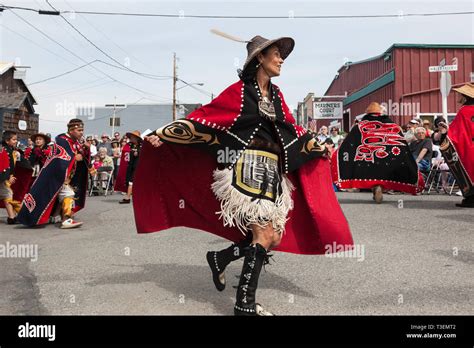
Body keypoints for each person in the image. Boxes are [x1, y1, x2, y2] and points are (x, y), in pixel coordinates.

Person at [134, 33, 353, 315]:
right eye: (275, 53)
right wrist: (162, 134)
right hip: (245, 166)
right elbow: (204, 117)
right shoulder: (238, 92)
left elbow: (291, 129)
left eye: (281, 54)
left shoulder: (277, 95)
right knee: (263, 233)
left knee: (271, 237)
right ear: (259, 58)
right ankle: (244, 304)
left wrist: (315, 145)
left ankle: (220, 258)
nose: (280, 58)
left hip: (273, 172)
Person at [332, 102, 423, 203]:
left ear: (367, 113)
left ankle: (375, 188)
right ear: (380, 112)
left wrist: (340, 153)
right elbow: (402, 144)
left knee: (372, 174)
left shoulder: (359, 127)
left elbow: (349, 143)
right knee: (383, 173)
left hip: (367, 157)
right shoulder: (393, 126)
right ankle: (379, 187)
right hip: (387, 158)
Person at [17, 119, 91, 228]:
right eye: (79, 130)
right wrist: (74, 158)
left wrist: (86, 148)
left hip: (65, 176)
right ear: (71, 130)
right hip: (55, 175)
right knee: (68, 194)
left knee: (57, 196)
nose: (81, 133)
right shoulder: (62, 141)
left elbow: (80, 154)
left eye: (82, 130)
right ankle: (66, 219)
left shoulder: (74, 142)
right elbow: (61, 158)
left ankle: (54, 216)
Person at [432, 83, 474, 208]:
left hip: (469, 147)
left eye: (460, 94)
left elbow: (457, 132)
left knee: (467, 172)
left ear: (465, 97)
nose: (458, 96)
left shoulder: (464, 111)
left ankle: (471, 198)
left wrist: (444, 133)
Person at [0, 131, 25, 224]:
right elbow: (3, 166)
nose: (16, 141)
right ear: (7, 141)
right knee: (7, 194)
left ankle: (12, 217)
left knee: (7, 194)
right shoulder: (4, 150)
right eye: (14, 139)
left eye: (16, 139)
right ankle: (12, 217)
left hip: (4, 178)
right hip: (2, 178)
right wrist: (7, 177)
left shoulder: (10, 150)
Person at [119, 131, 141, 204]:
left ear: (137, 138)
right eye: (131, 136)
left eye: (133, 137)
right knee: (129, 182)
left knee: (132, 182)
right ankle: (133, 197)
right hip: (130, 166)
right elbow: (125, 153)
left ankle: (127, 198)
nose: (131, 138)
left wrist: (138, 152)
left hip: (137, 167)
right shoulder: (129, 145)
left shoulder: (141, 146)